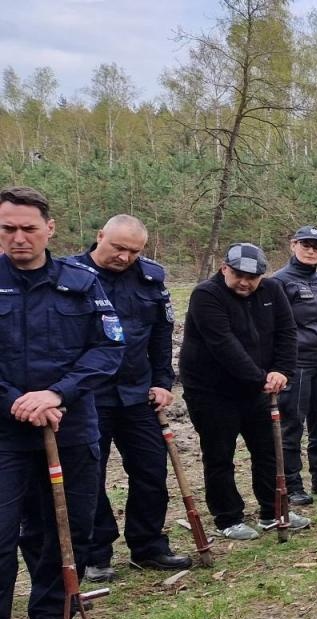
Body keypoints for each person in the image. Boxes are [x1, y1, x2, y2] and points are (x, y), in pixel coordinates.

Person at [0, 185, 124, 619]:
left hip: (70, 425)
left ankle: (50, 616)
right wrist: (19, 401)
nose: (18, 238)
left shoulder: (81, 282)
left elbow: (110, 347)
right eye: (7, 228)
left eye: (28, 229)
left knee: (65, 527)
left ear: (49, 229)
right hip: (6, 430)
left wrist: (54, 394)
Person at [69, 214, 191, 583]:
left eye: (133, 251)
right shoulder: (69, 277)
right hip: (88, 395)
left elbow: (160, 334)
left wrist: (162, 381)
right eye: (118, 247)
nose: (124, 257)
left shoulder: (150, 279)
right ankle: (96, 552)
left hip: (139, 393)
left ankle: (149, 545)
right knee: (90, 476)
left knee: (151, 471)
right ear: (99, 236)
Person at [181, 242, 311, 541]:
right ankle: (227, 517)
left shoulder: (272, 291)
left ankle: (273, 511)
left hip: (257, 388)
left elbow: (287, 332)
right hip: (212, 391)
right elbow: (224, 345)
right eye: (238, 274)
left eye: (252, 277)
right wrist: (261, 378)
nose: (245, 282)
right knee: (219, 454)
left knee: (267, 450)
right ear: (224, 268)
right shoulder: (206, 295)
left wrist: (282, 371)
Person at [272, 225, 317, 505]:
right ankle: (294, 485)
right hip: (296, 364)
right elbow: (273, 328)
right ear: (293, 245)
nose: (311, 251)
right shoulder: (278, 282)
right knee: (292, 426)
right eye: (306, 245)